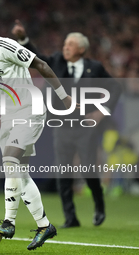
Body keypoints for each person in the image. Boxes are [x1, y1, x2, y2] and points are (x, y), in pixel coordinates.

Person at [0, 8, 74, 250]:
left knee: (9, 160)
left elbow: (41, 64)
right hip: (8, 117)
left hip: (29, 109)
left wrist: (65, 97)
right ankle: (44, 226)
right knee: (18, 173)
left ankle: (9, 222)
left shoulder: (5, 46)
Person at [11, 20, 122, 228]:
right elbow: (35, 58)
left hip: (85, 127)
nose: (65, 47)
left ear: (81, 49)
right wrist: (23, 39)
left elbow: (115, 89)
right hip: (62, 127)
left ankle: (99, 205)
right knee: (63, 172)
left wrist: (100, 112)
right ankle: (70, 218)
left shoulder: (94, 68)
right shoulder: (56, 61)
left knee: (89, 171)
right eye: (64, 44)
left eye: (70, 44)